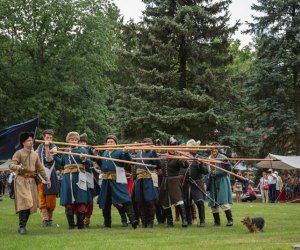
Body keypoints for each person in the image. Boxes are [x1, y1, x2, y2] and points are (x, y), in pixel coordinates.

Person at [9, 132, 51, 234]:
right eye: (28, 140)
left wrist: (47, 179)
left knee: (30, 204)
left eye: (32, 140)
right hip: (21, 180)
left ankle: (23, 226)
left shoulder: (35, 155)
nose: (31, 141)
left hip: (32, 181)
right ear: (23, 142)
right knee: (25, 202)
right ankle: (21, 227)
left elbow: (40, 168)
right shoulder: (18, 153)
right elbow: (11, 164)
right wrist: (17, 167)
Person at [97, 135, 138, 229]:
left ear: (116, 143)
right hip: (106, 180)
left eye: (112, 142)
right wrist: (96, 157)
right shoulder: (104, 153)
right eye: (108, 142)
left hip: (117, 179)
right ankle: (107, 223)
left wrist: (126, 153)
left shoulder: (119, 152)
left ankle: (133, 220)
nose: (110, 143)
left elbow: (128, 161)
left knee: (125, 199)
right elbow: (101, 165)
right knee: (105, 201)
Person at [54, 131, 93, 229]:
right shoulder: (66, 151)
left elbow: (89, 163)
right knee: (69, 201)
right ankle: (71, 225)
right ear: (68, 140)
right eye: (71, 139)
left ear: (78, 141)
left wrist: (84, 159)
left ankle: (80, 224)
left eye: (75, 139)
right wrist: (54, 155)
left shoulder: (82, 150)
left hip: (79, 177)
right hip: (68, 178)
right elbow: (62, 162)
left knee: (81, 199)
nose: (73, 141)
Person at [159, 136, 189, 227]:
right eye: (171, 146)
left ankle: (184, 220)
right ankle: (170, 221)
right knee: (164, 202)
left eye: (175, 146)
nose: (173, 148)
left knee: (178, 200)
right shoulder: (163, 157)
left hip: (174, 181)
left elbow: (184, 165)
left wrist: (184, 160)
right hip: (165, 181)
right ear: (168, 146)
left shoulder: (177, 157)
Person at [134, 137, 160, 228]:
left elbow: (158, 164)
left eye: (149, 144)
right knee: (140, 201)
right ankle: (144, 222)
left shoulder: (152, 153)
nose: (147, 145)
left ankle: (150, 222)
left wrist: (154, 153)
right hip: (139, 179)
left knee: (150, 201)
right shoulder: (138, 154)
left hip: (149, 179)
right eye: (146, 144)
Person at [35, 129, 60, 227]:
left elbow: (49, 159)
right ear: (43, 137)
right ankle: (45, 219)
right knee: (41, 198)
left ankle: (49, 218)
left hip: (51, 174)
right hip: (41, 175)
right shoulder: (39, 147)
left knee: (51, 199)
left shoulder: (54, 147)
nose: (49, 139)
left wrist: (47, 146)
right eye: (47, 137)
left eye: (50, 137)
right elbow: (35, 157)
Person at [182, 139, 209, 227]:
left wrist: (200, 164)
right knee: (187, 203)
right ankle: (189, 221)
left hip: (197, 183)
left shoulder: (199, 157)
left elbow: (206, 171)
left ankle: (202, 221)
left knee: (200, 202)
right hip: (186, 183)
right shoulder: (183, 157)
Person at [78, 133, 101, 228]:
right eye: (81, 142)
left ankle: (87, 218)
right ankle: (80, 218)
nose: (82, 144)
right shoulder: (74, 151)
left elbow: (96, 159)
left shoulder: (89, 151)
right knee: (80, 198)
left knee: (89, 198)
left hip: (90, 176)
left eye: (84, 142)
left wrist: (92, 151)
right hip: (79, 177)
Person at [207, 144, 233, 227]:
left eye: (215, 149)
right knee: (213, 202)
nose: (214, 150)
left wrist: (227, 163)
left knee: (224, 201)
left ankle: (230, 220)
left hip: (222, 181)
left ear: (218, 149)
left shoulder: (222, 157)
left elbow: (228, 170)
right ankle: (217, 222)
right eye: (212, 149)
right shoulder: (209, 158)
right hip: (213, 181)